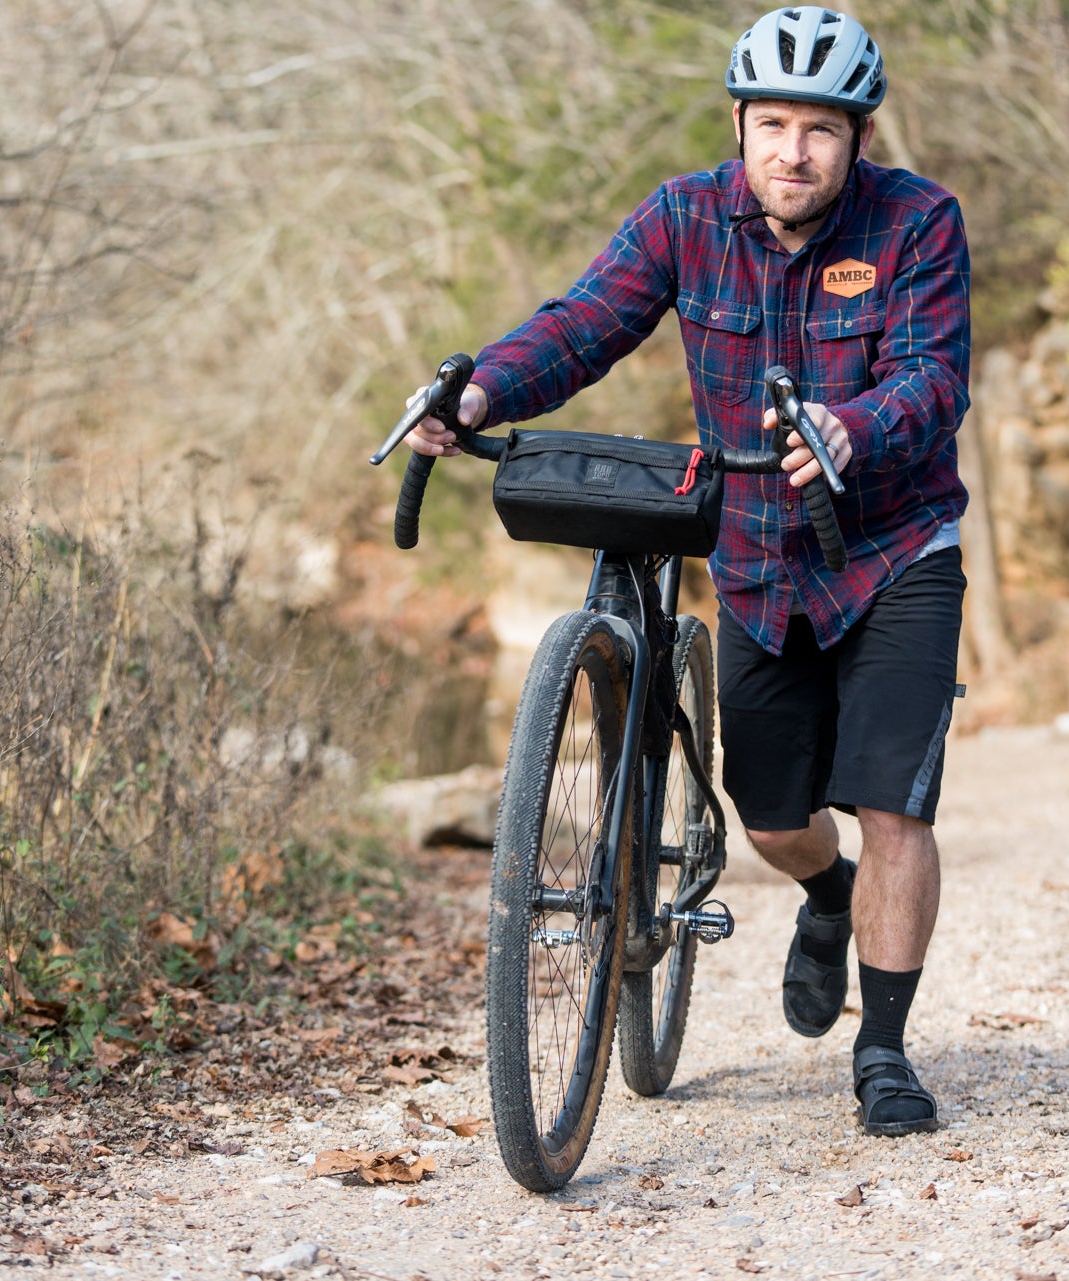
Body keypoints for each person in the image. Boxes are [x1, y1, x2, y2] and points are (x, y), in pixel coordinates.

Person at [408, 5, 970, 1137]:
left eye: (820, 129)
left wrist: (857, 428)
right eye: (774, 126)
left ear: (859, 137)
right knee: (770, 819)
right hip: (759, 560)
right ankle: (826, 895)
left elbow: (932, 376)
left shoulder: (917, 222)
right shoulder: (684, 217)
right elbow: (583, 325)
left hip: (897, 547)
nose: (793, 152)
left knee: (891, 805)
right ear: (742, 125)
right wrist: (476, 396)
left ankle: (884, 1051)